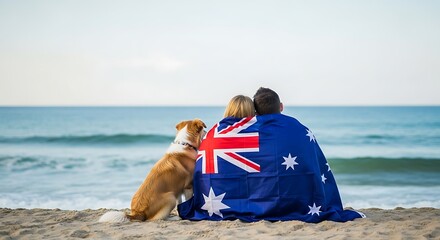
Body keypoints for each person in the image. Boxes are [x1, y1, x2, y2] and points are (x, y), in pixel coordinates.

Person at [178, 88, 364, 222]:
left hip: (215, 205)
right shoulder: (296, 129)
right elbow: (314, 168)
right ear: (280, 106)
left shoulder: (216, 133)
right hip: (292, 203)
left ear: (256, 112)